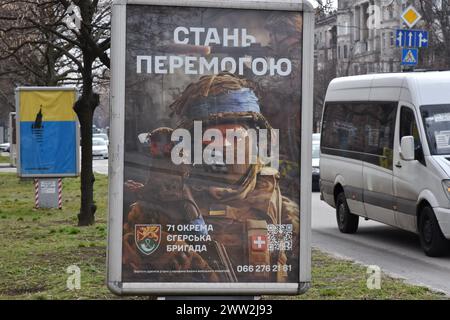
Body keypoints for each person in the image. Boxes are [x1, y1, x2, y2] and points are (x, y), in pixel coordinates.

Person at [122, 72, 300, 283]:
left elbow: (287, 274)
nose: (223, 146)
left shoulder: (279, 207)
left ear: (253, 142)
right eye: (211, 138)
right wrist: (174, 257)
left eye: (233, 136)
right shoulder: (157, 206)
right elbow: (130, 273)